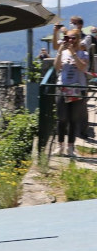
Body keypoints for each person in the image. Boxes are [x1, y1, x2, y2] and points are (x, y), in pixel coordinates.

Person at [54, 29, 89, 157]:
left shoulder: (84, 53)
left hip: (78, 89)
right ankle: (60, 146)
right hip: (63, 88)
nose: (70, 40)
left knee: (74, 119)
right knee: (62, 118)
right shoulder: (62, 53)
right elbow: (56, 67)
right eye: (67, 38)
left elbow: (82, 67)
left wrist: (74, 53)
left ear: (78, 39)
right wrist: (60, 51)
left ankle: (70, 147)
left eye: (73, 38)